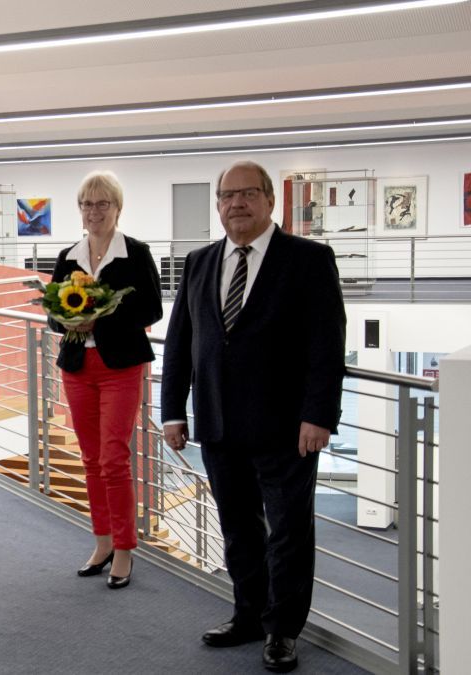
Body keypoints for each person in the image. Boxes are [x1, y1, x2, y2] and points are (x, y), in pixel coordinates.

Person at [161, 161, 346, 673]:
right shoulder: (198, 262)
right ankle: (247, 615)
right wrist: (173, 409)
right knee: (238, 528)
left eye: (247, 194)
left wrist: (319, 415)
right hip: (218, 423)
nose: (236, 204)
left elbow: (326, 346)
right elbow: (181, 343)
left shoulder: (308, 259)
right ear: (217, 205)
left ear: (270, 201)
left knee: (288, 531)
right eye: (227, 196)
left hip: (288, 428)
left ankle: (282, 629)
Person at [50, 170, 163, 590]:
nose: (94, 211)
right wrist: (68, 319)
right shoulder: (68, 256)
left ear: (118, 208)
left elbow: (152, 309)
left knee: (114, 458)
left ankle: (125, 549)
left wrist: (103, 317)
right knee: (91, 459)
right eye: (87, 204)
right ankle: (101, 542)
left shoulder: (135, 253)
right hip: (78, 368)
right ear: (79, 210)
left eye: (102, 204)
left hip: (119, 368)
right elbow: (52, 314)